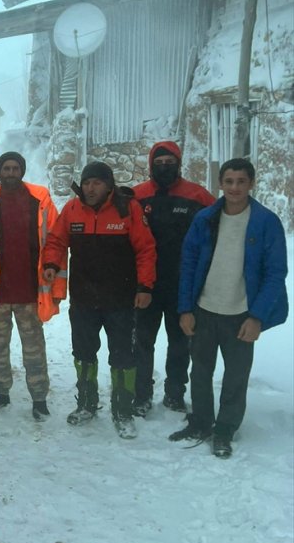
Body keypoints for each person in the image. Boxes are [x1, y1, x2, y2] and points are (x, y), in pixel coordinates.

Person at [170, 158, 288, 458]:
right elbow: (188, 263)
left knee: (236, 375)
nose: (235, 187)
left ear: (251, 184)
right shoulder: (206, 218)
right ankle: (200, 422)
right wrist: (185, 308)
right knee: (200, 370)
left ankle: (224, 428)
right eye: (229, 181)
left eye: (241, 181)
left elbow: (276, 273)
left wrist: (257, 317)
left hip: (241, 315)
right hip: (204, 309)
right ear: (220, 184)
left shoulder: (265, 222)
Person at [43, 161, 156, 438]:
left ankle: (122, 410)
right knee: (83, 354)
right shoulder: (72, 209)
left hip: (120, 300)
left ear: (109, 185)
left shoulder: (128, 209)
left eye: (97, 182)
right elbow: (57, 241)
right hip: (83, 300)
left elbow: (145, 249)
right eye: (86, 182)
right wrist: (51, 263)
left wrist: (145, 287)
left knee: (123, 357)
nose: (90, 188)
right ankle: (87, 404)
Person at [0, 151, 65, 421]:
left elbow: (57, 244)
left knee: (34, 350)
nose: (10, 173)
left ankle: (39, 398)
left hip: (31, 293)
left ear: (22, 170)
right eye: (5, 168)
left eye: (15, 168)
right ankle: (1, 393)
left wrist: (58, 289)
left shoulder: (40, 200)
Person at [132, 141, 215, 416]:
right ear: (151, 164)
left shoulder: (198, 196)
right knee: (142, 341)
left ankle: (175, 393)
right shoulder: (137, 196)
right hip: (146, 285)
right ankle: (141, 394)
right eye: (159, 162)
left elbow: (217, 231)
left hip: (183, 286)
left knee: (180, 342)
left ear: (179, 163)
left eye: (170, 162)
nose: (164, 167)